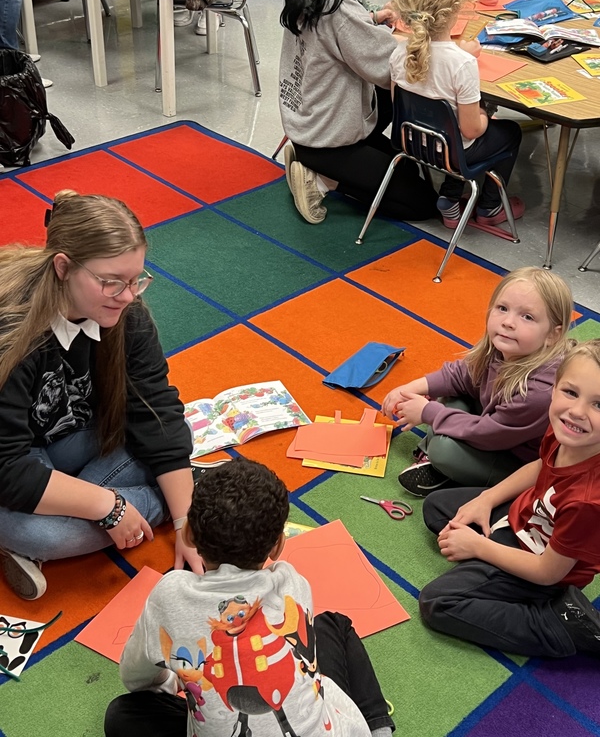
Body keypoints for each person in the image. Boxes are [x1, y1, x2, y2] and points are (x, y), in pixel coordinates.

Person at [0, 190, 202, 601]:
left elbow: (155, 414)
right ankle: (159, 500)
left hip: (67, 441)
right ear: (63, 268)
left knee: (165, 443)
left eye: (136, 280)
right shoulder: (12, 329)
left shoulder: (126, 316)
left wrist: (189, 525)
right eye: (112, 282)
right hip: (19, 454)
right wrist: (109, 508)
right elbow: (7, 465)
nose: (128, 296)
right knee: (35, 531)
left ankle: (170, 497)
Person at [104, 458, 395, 737]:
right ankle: (378, 729)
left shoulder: (169, 595)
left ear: (188, 535)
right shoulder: (292, 582)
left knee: (123, 714)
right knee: (333, 623)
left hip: (230, 700)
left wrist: (180, 678)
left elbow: (135, 679)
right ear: (277, 546)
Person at [419, 340, 600, 658]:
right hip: (524, 518)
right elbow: (539, 467)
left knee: (438, 602)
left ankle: (556, 625)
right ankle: (486, 562)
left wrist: (479, 548)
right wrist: (486, 499)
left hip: (542, 567)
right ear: (555, 389)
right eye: (570, 392)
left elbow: (548, 572)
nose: (577, 411)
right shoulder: (566, 431)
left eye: (599, 405)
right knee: (436, 506)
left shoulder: (589, 501)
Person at [279, 0, 438, 226]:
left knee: (408, 171)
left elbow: (332, 35)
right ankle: (324, 180)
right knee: (423, 202)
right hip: (327, 139)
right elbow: (394, 70)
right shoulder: (340, 9)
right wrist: (446, 49)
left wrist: (371, 19)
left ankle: (318, 166)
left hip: (308, 121)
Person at [382, 267, 573, 496]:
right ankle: (440, 460)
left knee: (443, 450)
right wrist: (409, 388)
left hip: (517, 463)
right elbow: (460, 375)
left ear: (553, 334)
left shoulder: (540, 392)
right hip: (494, 431)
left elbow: (488, 435)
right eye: (502, 308)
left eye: (527, 317)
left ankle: (446, 467)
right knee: (449, 392)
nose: (508, 322)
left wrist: (428, 413)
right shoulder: (506, 346)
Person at [388, 0, 523, 230]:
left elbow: (398, 103)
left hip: (412, 142)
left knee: (453, 126)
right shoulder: (461, 64)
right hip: (451, 151)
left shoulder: (398, 51)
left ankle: (449, 200)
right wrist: (486, 117)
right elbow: (472, 131)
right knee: (508, 132)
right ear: (456, 10)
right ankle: (489, 206)